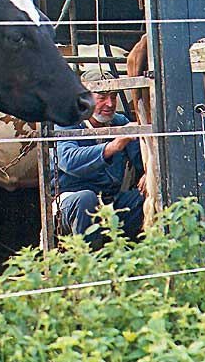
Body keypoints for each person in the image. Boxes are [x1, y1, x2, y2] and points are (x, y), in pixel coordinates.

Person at [51, 69, 146, 250]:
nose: (109, 104)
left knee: (146, 198)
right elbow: (68, 160)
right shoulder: (67, 121)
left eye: (113, 96)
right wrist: (112, 147)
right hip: (73, 201)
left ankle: (128, 258)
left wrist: (149, 173)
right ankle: (88, 265)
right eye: (101, 97)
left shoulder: (119, 121)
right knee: (87, 199)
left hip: (111, 201)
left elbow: (142, 156)